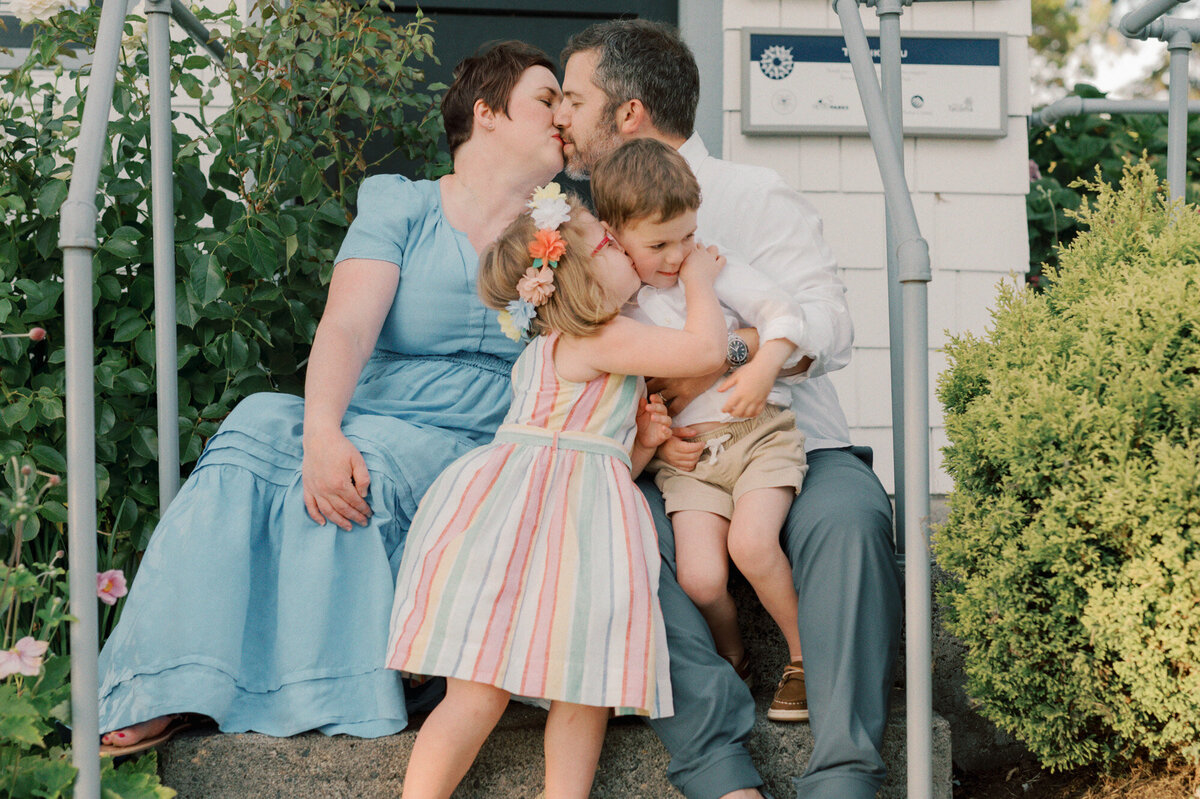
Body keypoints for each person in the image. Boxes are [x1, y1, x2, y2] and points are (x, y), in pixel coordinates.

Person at [96, 41, 569, 754]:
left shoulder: (566, 229)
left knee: (368, 461)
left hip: (484, 430)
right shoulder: (404, 205)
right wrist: (321, 430)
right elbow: (347, 324)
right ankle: (170, 680)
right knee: (257, 424)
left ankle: (327, 685)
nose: (564, 114)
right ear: (487, 113)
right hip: (377, 404)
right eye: (547, 97)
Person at [555, 20, 904, 799]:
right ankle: (719, 766)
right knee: (615, 535)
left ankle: (844, 769)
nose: (559, 118)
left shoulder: (754, 195)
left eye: (573, 100)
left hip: (795, 441)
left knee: (851, 522)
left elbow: (831, 325)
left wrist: (722, 357)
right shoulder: (587, 229)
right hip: (671, 463)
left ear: (630, 114)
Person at [385, 187, 728, 798]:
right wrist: (701, 280)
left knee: (510, 684)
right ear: (576, 274)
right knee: (562, 683)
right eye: (606, 241)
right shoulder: (602, 337)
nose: (619, 244)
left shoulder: (548, 351)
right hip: (558, 523)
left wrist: (643, 443)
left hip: (552, 516)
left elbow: (598, 452)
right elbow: (705, 350)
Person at [591, 138, 811, 723]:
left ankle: (803, 657)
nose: (675, 254)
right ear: (614, 234)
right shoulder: (619, 307)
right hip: (690, 461)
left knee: (751, 544)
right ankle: (733, 655)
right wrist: (658, 438)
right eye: (657, 244)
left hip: (756, 435)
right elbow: (632, 399)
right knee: (700, 577)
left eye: (685, 235)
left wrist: (764, 365)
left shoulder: (712, 266)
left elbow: (787, 316)